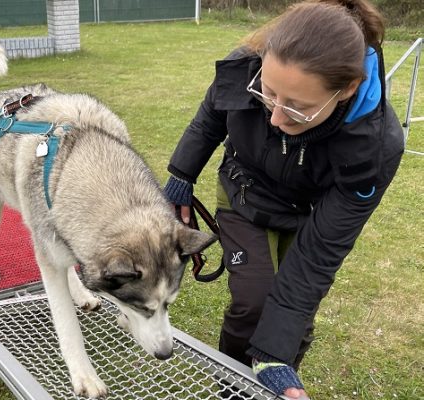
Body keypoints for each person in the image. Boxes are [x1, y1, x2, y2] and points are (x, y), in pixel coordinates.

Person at [163, 0, 404, 398]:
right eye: (268, 93)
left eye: (297, 108)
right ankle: (232, 390)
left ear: (347, 90)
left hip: (308, 210)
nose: (275, 118)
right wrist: (181, 176)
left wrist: (275, 354)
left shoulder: (373, 150)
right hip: (245, 188)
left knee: (296, 313)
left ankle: (274, 372)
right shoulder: (247, 61)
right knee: (253, 301)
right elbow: (212, 113)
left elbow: (317, 260)